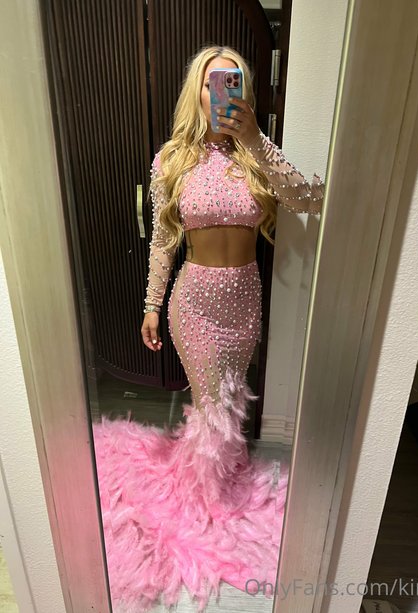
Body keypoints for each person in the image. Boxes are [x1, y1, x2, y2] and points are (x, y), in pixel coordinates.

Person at [93, 45, 324, 613]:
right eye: (213, 81)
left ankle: (217, 477)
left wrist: (255, 139)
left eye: (234, 80)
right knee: (209, 403)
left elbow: (308, 198)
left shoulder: (256, 155)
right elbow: (163, 241)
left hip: (243, 300)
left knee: (230, 396)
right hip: (193, 302)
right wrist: (152, 304)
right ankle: (206, 499)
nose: (222, 90)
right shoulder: (172, 160)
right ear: (197, 90)